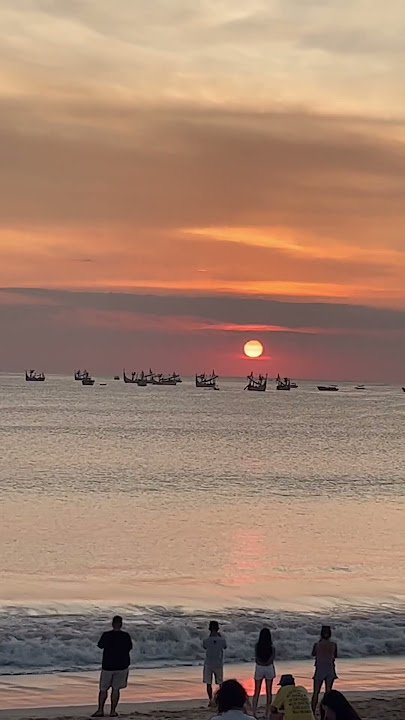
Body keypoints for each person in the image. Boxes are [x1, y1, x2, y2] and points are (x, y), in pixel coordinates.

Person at [92, 615, 133, 718]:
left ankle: (100, 710)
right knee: (116, 689)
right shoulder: (125, 636)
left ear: (112, 623)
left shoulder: (106, 635)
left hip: (108, 665)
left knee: (103, 689)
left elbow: (100, 645)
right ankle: (113, 711)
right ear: (121, 624)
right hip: (122, 665)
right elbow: (129, 648)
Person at [311, 626, 338, 714]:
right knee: (328, 692)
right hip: (330, 668)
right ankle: (327, 712)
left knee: (316, 692)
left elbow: (313, 654)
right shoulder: (333, 645)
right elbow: (335, 655)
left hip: (319, 669)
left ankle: (313, 711)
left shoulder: (317, 645)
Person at [252, 628, 276, 718]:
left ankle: (254, 712)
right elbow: (272, 658)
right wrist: (266, 663)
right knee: (268, 691)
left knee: (256, 690)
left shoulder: (257, 645)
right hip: (269, 668)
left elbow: (256, 658)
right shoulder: (272, 647)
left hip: (259, 667)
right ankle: (267, 713)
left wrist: (261, 663)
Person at [203, 620, 227, 706]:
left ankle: (211, 700)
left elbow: (204, 646)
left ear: (209, 629)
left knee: (208, 683)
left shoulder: (206, 640)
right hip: (218, 663)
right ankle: (222, 699)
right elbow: (225, 646)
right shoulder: (221, 640)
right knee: (220, 683)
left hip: (208, 663)